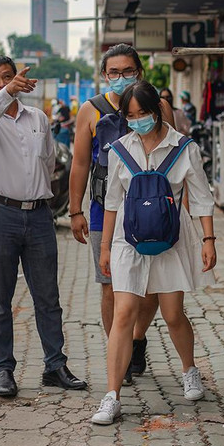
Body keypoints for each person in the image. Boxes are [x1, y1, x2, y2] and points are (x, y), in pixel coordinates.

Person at [90, 81, 217, 425]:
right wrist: (104, 249)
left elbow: (202, 196)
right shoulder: (119, 149)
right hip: (127, 242)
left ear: (157, 111)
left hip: (170, 239)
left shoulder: (184, 147)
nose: (137, 121)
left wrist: (209, 239)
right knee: (124, 313)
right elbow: (113, 202)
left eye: (142, 113)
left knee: (173, 313)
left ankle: (189, 370)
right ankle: (112, 395)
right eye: (130, 116)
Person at [0, 55, 87, 398]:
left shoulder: (38, 118)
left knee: (48, 296)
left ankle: (55, 365)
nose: (4, 83)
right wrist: (5, 92)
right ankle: (3, 369)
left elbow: (49, 161)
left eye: (8, 76)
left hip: (38, 216)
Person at [68, 44, 175, 385]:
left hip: (155, 210)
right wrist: (74, 210)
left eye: (127, 71)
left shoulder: (159, 108)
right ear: (104, 75)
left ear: (139, 72)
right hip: (105, 211)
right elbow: (81, 163)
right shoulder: (91, 110)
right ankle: (121, 355)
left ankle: (137, 338)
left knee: (152, 285)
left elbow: (174, 156)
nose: (120, 78)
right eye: (113, 72)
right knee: (111, 286)